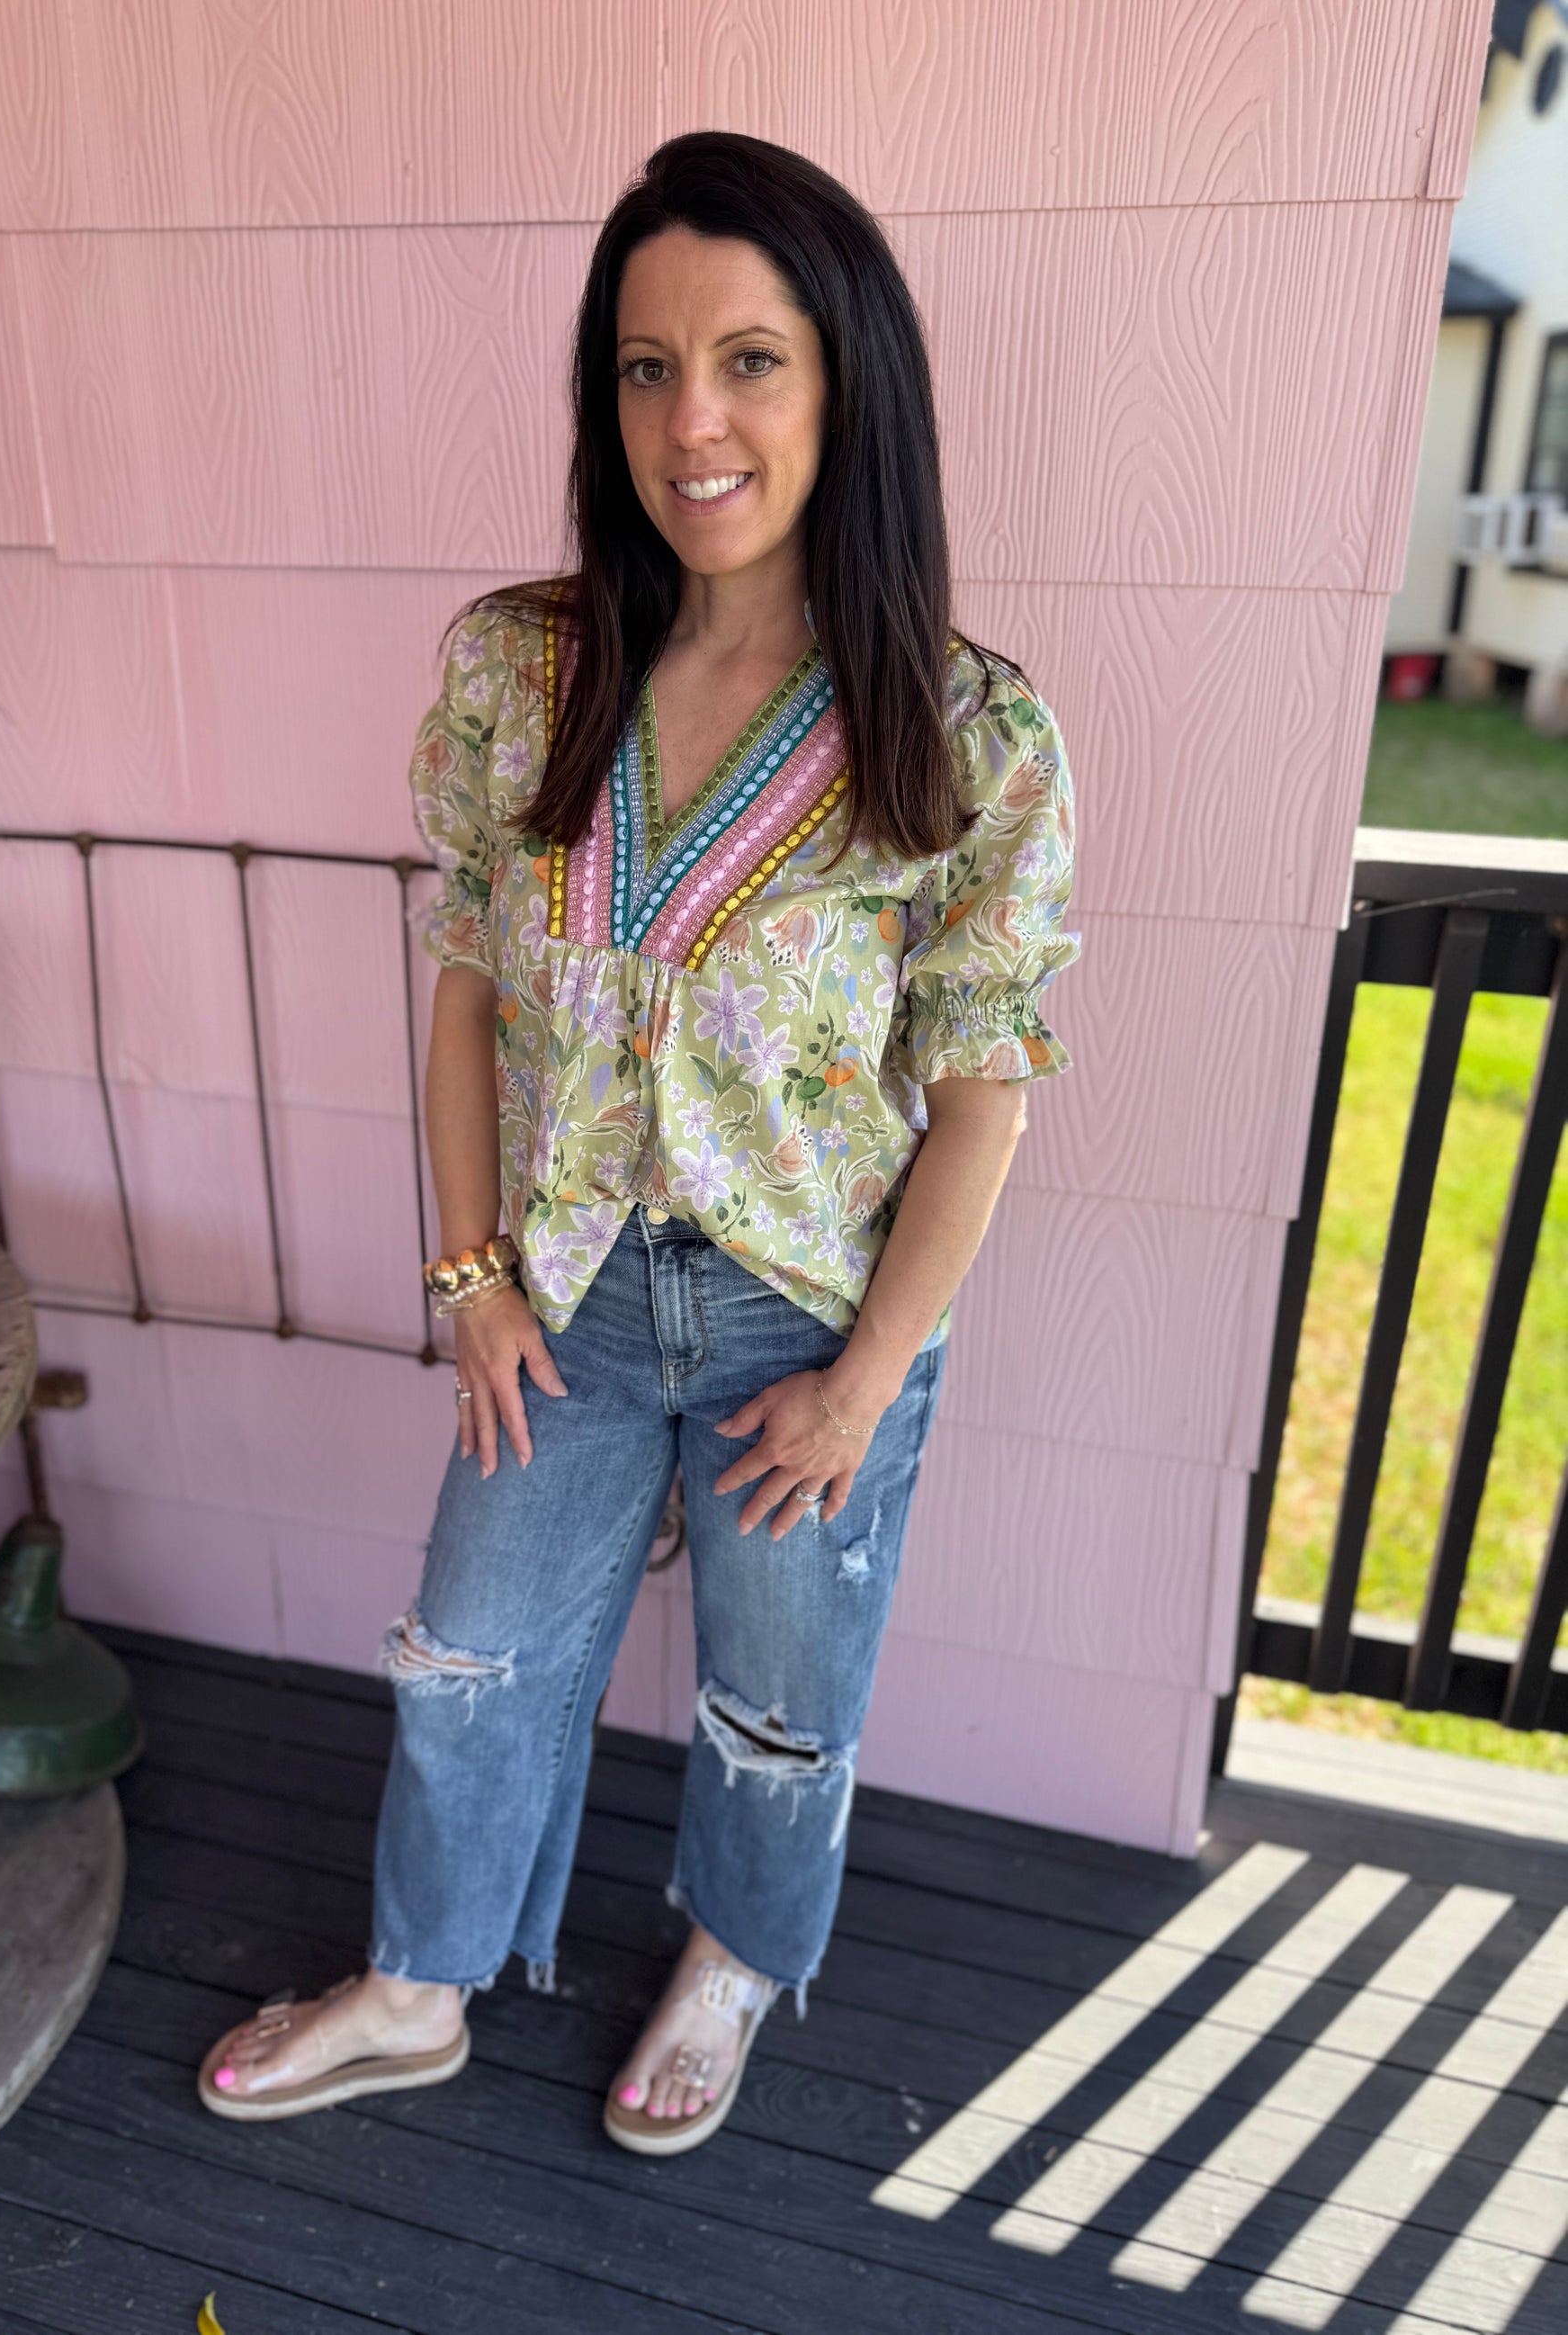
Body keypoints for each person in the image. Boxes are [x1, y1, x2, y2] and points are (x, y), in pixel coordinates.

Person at [198, 128, 1078, 2156]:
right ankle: (418, 1983)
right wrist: (467, 1271)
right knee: (469, 1654)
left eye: (750, 361)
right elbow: (464, 984)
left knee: (777, 1703)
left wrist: (864, 1381)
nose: (693, 421)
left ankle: (734, 1960)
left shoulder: (966, 732)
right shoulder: (524, 670)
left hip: (808, 1322)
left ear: (846, 383)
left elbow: (984, 1087)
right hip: (569, 1293)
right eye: (644, 366)